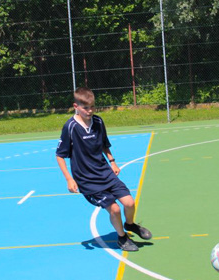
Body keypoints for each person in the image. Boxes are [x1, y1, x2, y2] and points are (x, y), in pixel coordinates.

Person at [56, 87, 152, 252]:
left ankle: (129, 225)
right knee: (114, 209)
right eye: (86, 107)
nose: (90, 110)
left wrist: (112, 161)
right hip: (87, 179)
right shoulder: (70, 127)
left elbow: (104, 145)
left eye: (92, 106)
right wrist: (69, 179)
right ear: (76, 106)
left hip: (105, 172)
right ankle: (122, 238)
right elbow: (60, 155)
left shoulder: (98, 122)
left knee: (129, 202)